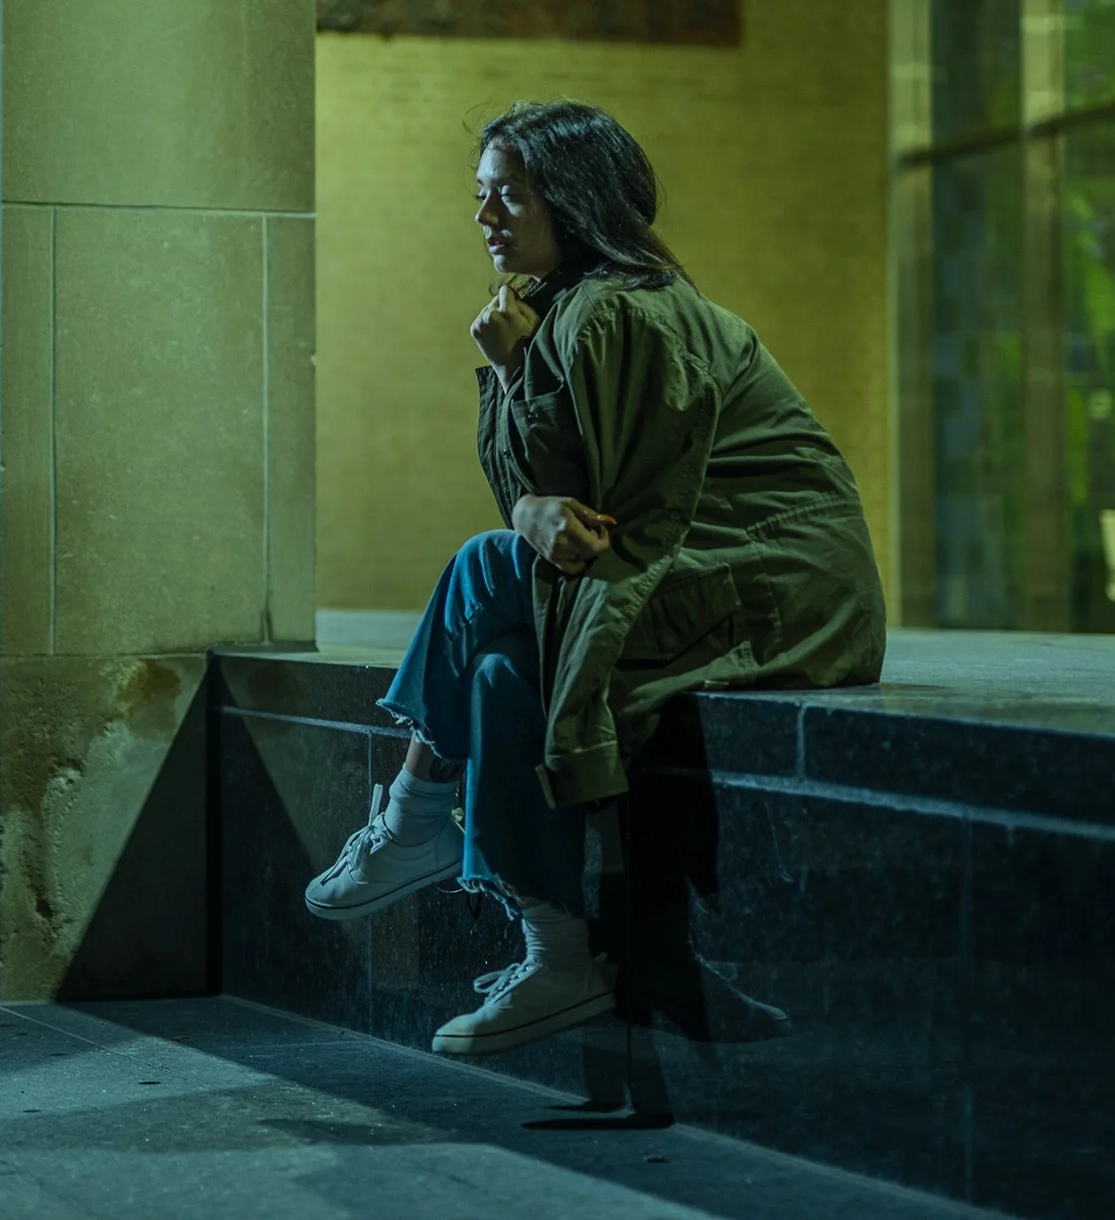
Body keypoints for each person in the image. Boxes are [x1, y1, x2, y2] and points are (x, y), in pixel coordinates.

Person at [304, 100, 886, 1057]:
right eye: (481, 196)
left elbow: (589, 527)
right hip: (692, 570)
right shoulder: (561, 310)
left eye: (510, 196)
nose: (485, 217)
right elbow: (551, 509)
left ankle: (413, 816)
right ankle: (558, 950)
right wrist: (516, 386)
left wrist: (516, 397)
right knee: (498, 670)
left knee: (485, 568)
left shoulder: (622, 311)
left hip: (776, 593)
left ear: (572, 203)